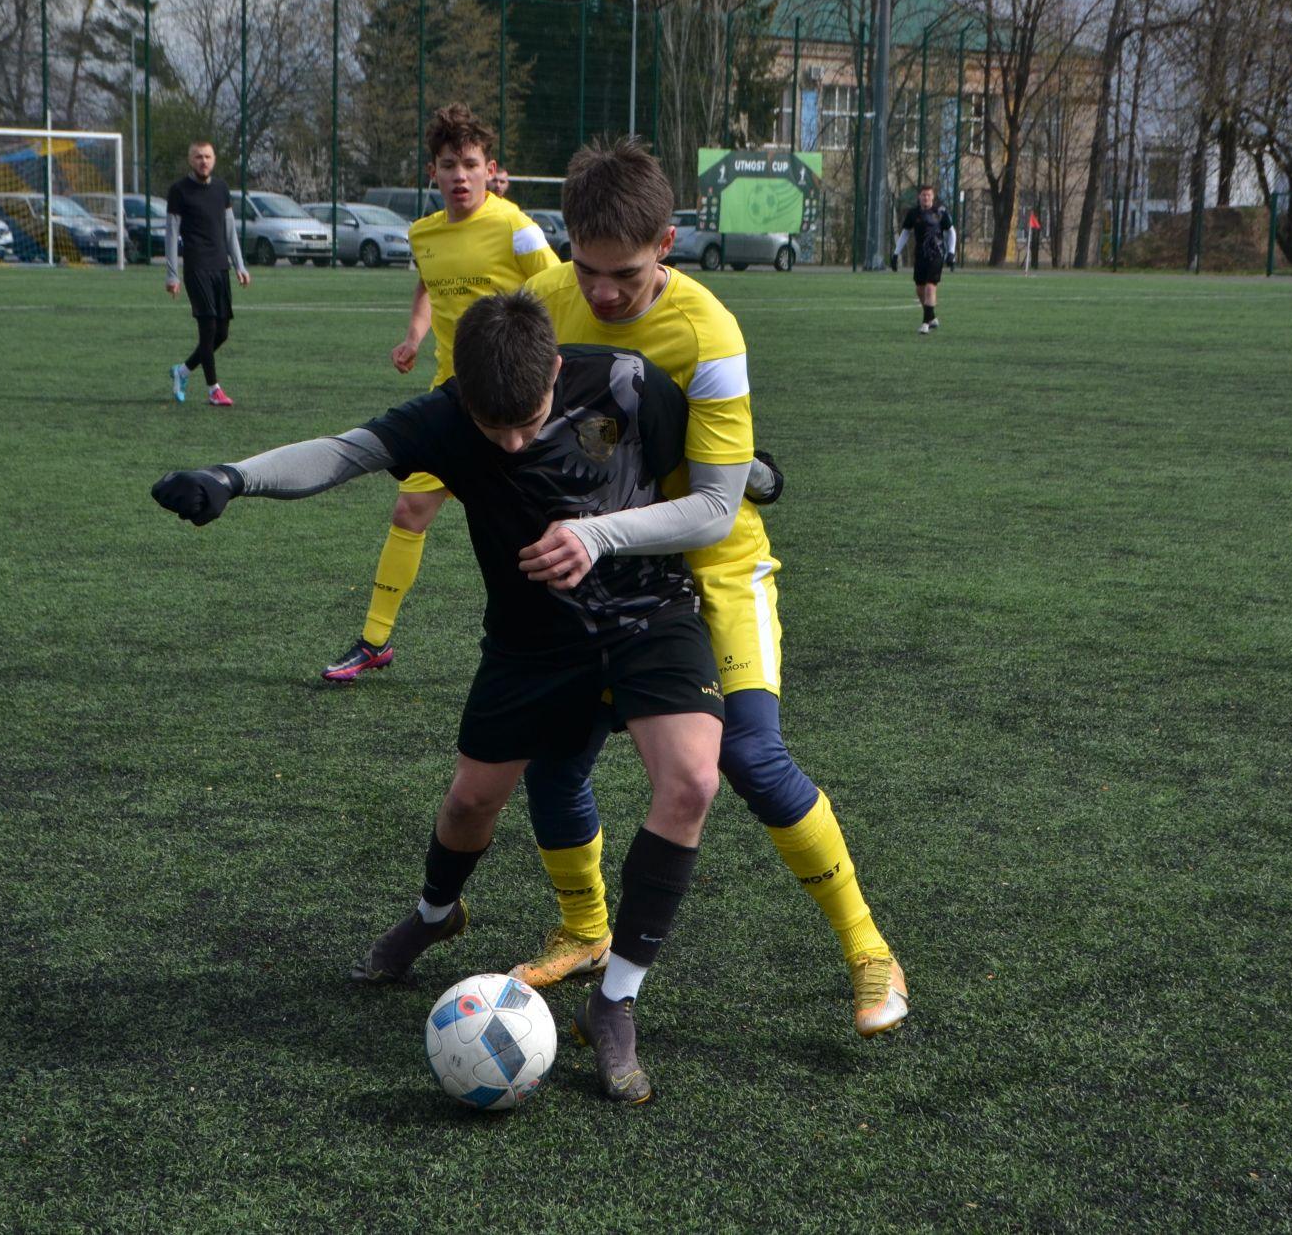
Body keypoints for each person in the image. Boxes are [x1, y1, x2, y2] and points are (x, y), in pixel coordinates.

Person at [151, 290, 732, 1104]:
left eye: (526, 422)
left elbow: (706, 469)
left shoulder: (629, 383)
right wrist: (231, 477)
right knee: (468, 806)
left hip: (649, 618)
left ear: (556, 369)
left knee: (693, 782)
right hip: (531, 641)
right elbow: (342, 452)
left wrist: (755, 471)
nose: (514, 442)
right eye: (495, 430)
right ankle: (435, 913)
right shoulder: (450, 414)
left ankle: (617, 998)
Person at [512, 138, 909, 1039]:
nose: (603, 293)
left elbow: (714, 513)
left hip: (712, 570)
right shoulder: (543, 303)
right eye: (588, 268)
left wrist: (597, 527)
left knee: (752, 757)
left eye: (626, 272)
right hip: (597, 574)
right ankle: (582, 929)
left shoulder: (710, 332)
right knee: (553, 752)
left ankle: (869, 949)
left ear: (669, 241)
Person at [322, 105, 558, 684]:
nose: (460, 174)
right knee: (409, 510)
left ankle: (559, 642)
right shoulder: (424, 234)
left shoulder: (516, 227)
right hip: (451, 399)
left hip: (513, 401)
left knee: (537, 525)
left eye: (470, 164)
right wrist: (413, 336)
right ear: (434, 172)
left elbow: (558, 294)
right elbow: (429, 286)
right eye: (449, 164)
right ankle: (373, 640)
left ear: (490, 169)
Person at [164, 140, 251, 408]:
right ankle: (214, 389)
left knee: (222, 333)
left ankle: (183, 371)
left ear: (214, 159)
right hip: (196, 267)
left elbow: (229, 230)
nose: (203, 161)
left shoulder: (222, 189)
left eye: (208, 156)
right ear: (191, 160)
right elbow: (171, 233)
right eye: (198, 156)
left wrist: (239, 265)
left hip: (219, 267)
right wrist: (172, 274)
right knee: (208, 328)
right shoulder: (179, 191)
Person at [895, 184, 953, 334]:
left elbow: (951, 232)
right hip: (921, 256)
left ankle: (925, 324)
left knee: (930, 287)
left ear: (933, 197)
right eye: (923, 195)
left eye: (928, 195)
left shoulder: (941, 212)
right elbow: (905, 233)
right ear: (919, 197)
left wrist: (951, 252)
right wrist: (896, 253)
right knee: (920, 289)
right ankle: (932, 317)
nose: (926, 197)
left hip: (937, 255)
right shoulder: (913, 214)